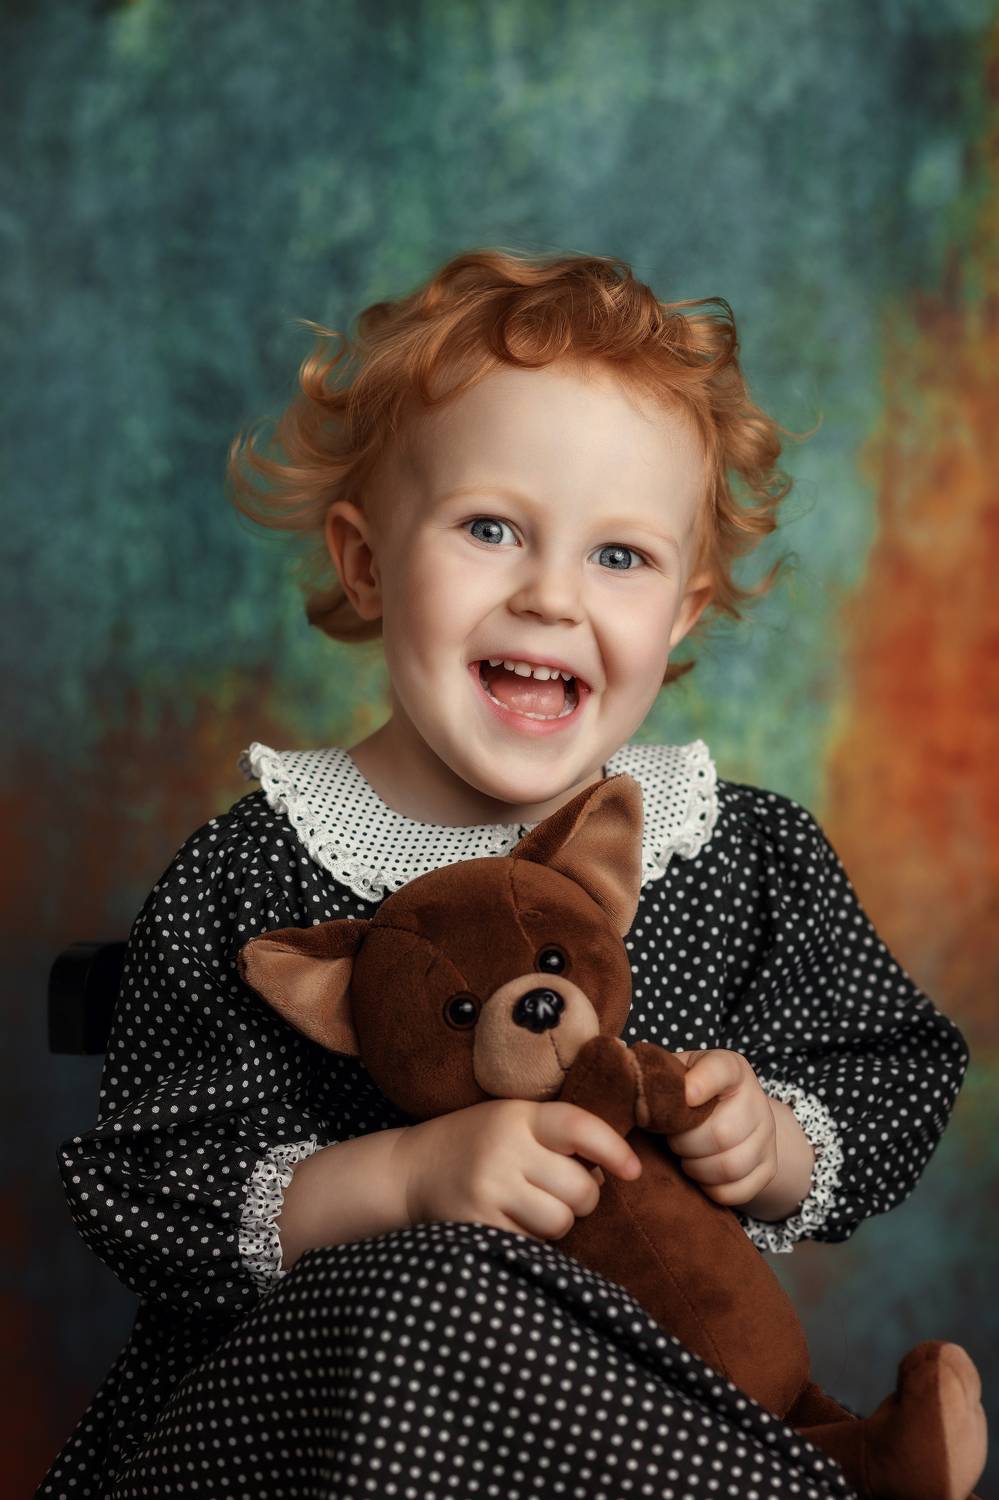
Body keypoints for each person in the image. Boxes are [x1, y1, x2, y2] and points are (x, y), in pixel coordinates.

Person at [35, 248, 985, 1500]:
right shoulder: (257, 872)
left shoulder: (740, 854)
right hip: (310, 1434)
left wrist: (774, 1148)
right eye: (490, 529)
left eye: (621, 557)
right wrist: (403, 1179)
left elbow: (890, 1063)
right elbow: (143, 1184)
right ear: (368, 563)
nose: (550, 597)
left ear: (683, 611)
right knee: (437, 1282)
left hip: (637, 1430)